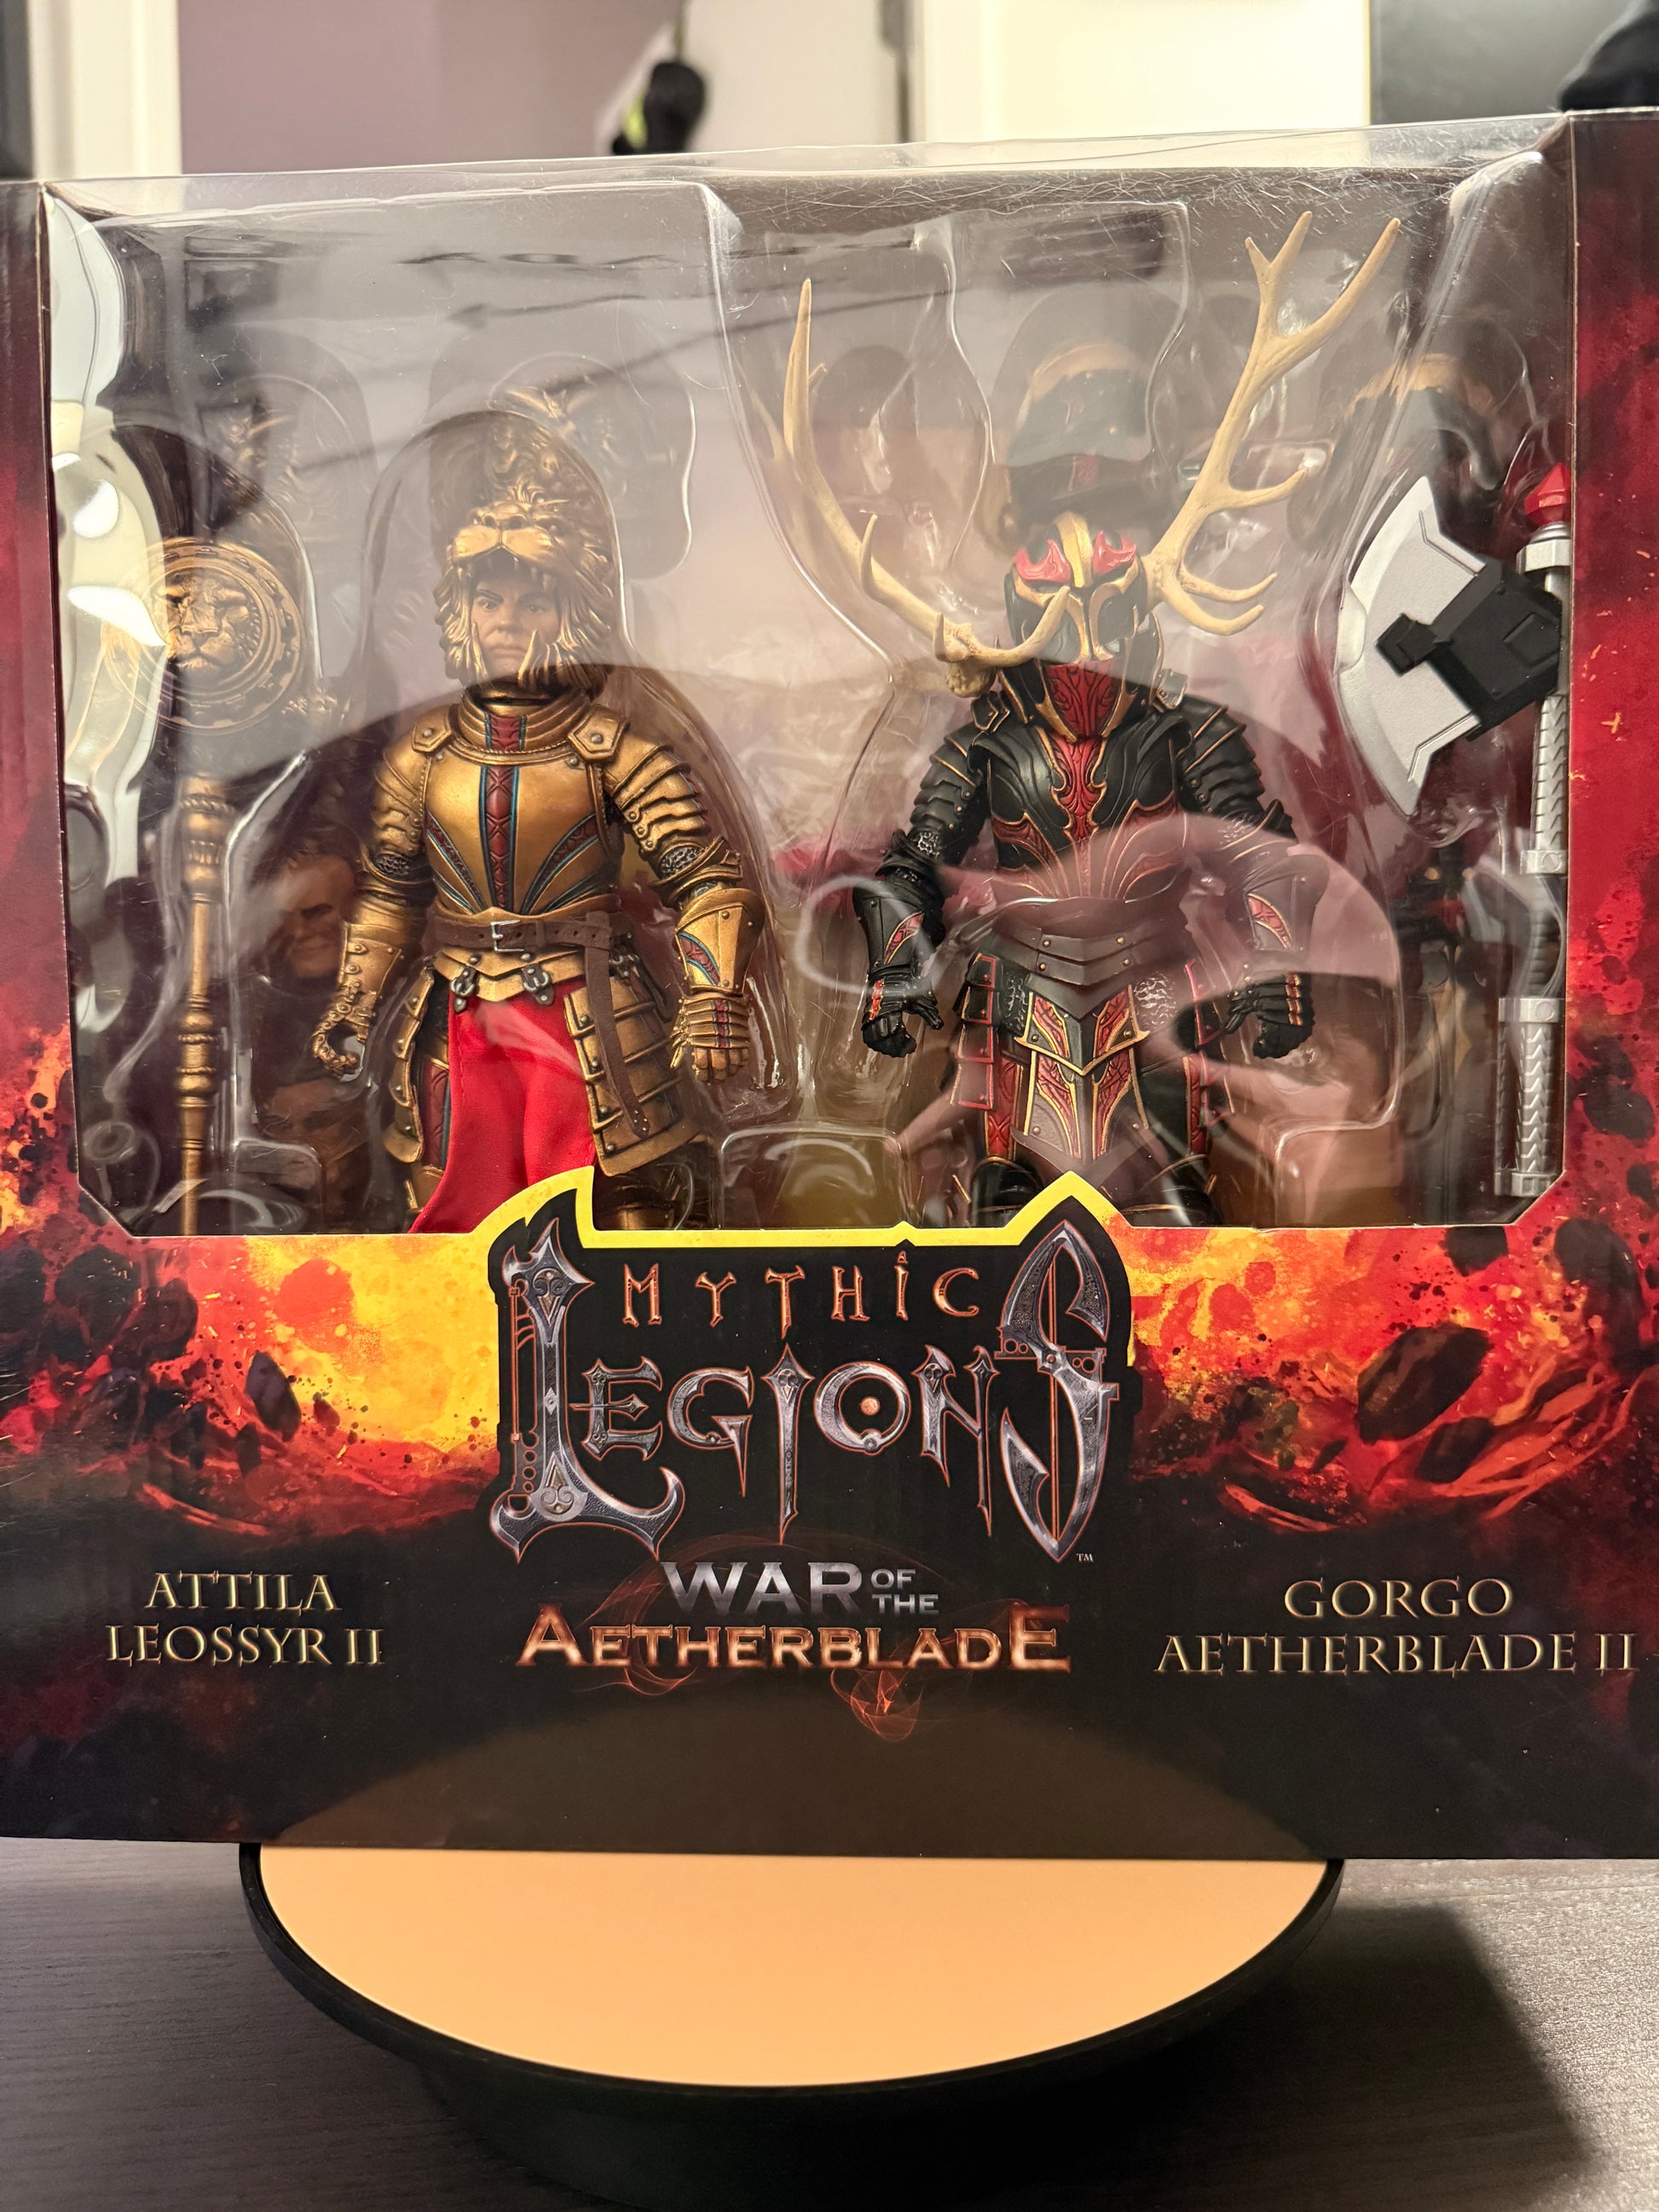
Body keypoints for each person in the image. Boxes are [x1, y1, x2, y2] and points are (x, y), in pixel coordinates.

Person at [312, 407, 762, 1233]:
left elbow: (708, 884)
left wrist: (711, 999)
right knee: (447, 1216)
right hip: (454, 1018)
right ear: (460, 610)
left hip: (594, 1023)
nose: (505, 620)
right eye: (487, 599)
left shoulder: (614, 750)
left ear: (572, 615)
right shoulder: (421, 755)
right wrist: (354, 998)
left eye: (531, 601)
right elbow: (389, 896)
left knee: (618, 1217)